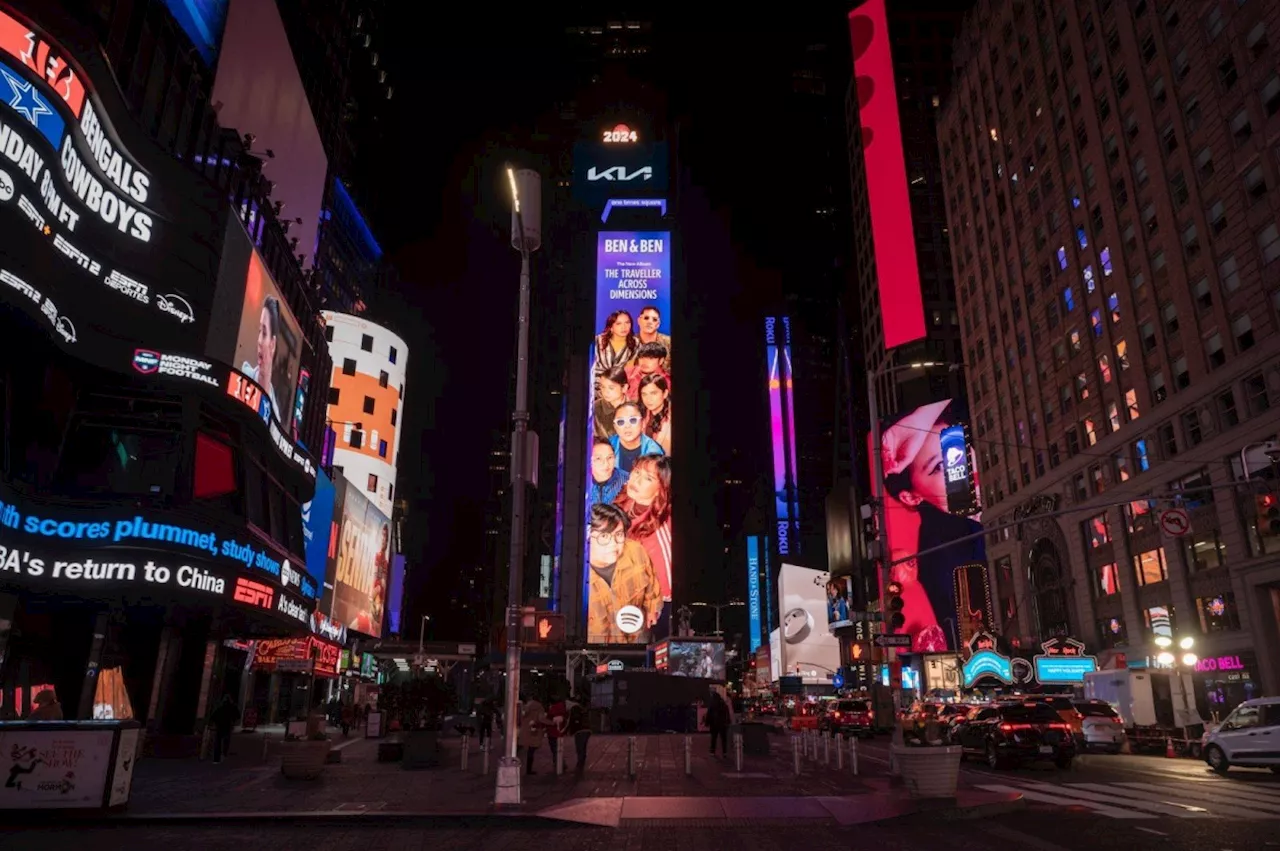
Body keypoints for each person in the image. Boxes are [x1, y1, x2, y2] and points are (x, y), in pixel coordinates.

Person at [881, 400, 986, 653]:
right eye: (940, 466)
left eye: (959, 449)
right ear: (911, 497)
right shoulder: (940, 556)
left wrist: (922, 414)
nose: (960, 469)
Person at [584, 503, 663, 644]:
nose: (613, 543)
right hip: (595, 651)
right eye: (604, 536)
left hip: (637, 641)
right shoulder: (578, 573)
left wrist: (652, 609)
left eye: (619, 534)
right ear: (588, 537)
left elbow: (652, 586)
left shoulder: (636, 551)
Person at [241, 294, 284, 422]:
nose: (259, 341)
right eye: (259, 331)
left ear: (273, 344)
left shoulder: (275, 415)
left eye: (264, 333)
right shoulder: (244, 375)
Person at [608, 401, 664, 475]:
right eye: (621, 422)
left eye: (633, 420)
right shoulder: (607, 446)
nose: (627, 426)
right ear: (615, 427)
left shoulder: (654, 452)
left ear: (643, 423)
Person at [587, 437, 628, 508]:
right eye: (598, 459)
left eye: (610, 457)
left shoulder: (627, 480)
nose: (606, 464)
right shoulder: (582, 483)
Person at [517, 693, 547, 776]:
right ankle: (528, 769)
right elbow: (541, 719)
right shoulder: (540, 707)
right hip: (534, 730)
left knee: (522, 747)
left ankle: (518, 765)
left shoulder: (527, 705)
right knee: (531, 750)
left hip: (525, 730)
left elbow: (522, 716)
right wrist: (550, 723)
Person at [209, 694, 240, 763]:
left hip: (220, 726)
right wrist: (233, 721)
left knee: (218, 742)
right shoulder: (232, 707)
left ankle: (216, 758)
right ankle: (224, 754)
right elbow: (238, 716)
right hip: (227, 726)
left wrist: (214, 724)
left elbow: (213, 716)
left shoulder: (220, 708)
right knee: (226, 740)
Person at [567, 694, 590, 772]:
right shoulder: (583, 708)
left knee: (580, 748)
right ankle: (581, 763)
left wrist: (570, 730)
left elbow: (573, 720)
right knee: (583, 748)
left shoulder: (575, 708)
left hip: (580, 730)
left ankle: (580, 765)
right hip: (587, 729)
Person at [706, 688, 730, 756]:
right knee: (723, 739)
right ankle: (724, 752)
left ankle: (712, 751)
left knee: (714, 738)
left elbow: (709, 714)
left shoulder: (712, 704)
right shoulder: (723, 703)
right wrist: (727, 721)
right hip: (722, 723)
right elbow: (727, 713)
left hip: (714, 723)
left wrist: (707, 722)